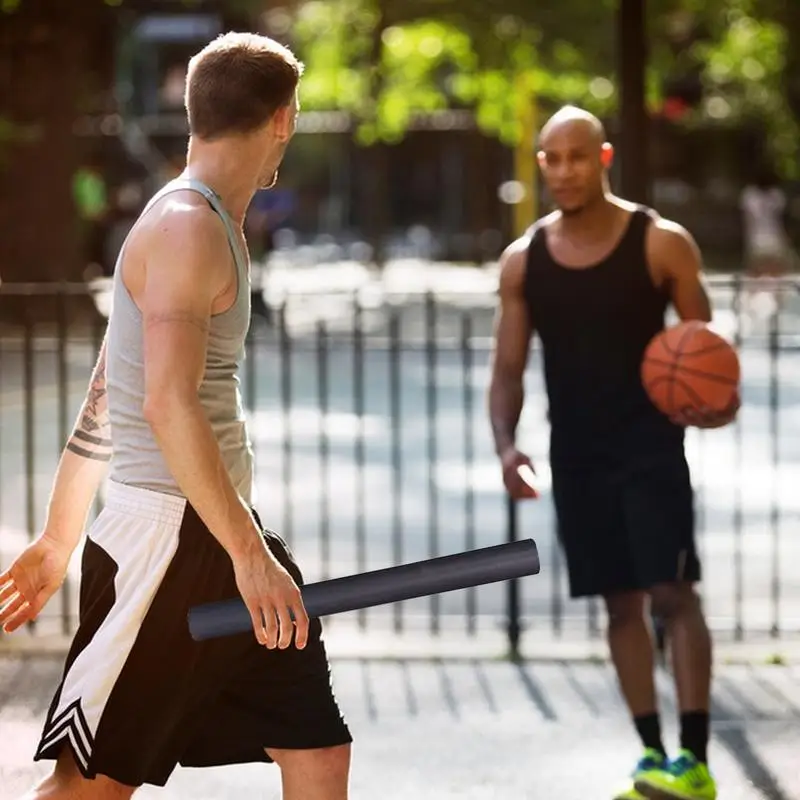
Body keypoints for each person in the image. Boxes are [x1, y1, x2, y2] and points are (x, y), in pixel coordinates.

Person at [0, 32, 352, 800]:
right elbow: (161, 404)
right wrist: (249, 555)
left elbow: (107, 395)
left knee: (317, 749)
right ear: (283, 119)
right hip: (169, 543)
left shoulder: (203, 221)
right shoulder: (188, 226)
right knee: (86, 790)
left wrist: (62, 537)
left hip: (219, 535)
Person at [488, 106, 738, 800]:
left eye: (577, 156)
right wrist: (507, 447)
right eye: (552, 159)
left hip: (652, 447)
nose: (564, 170)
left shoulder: (662, 244)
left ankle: (694, 757)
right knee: (619, 606)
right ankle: (652, 756)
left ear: (603, 158)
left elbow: (708, 353)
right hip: (578, 455)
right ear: (541, 166)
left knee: (672, 593)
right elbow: (506, 370)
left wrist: (719, 403)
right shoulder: (523, 261)